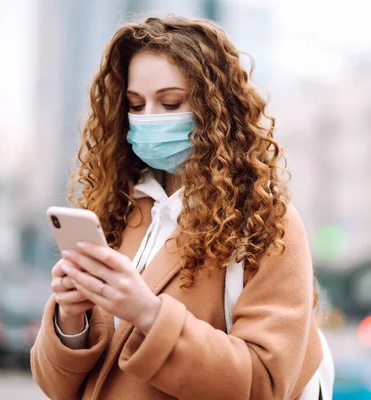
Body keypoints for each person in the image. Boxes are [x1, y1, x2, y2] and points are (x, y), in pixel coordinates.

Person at [31, 15, 323, 399]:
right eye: (135, 104)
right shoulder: (118, 207)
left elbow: (265, 384)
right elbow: (55, 386)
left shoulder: (265, 221)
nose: (148, 119)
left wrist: (148, 314)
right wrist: (72, 317)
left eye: (170, 103)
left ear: (217, 107)